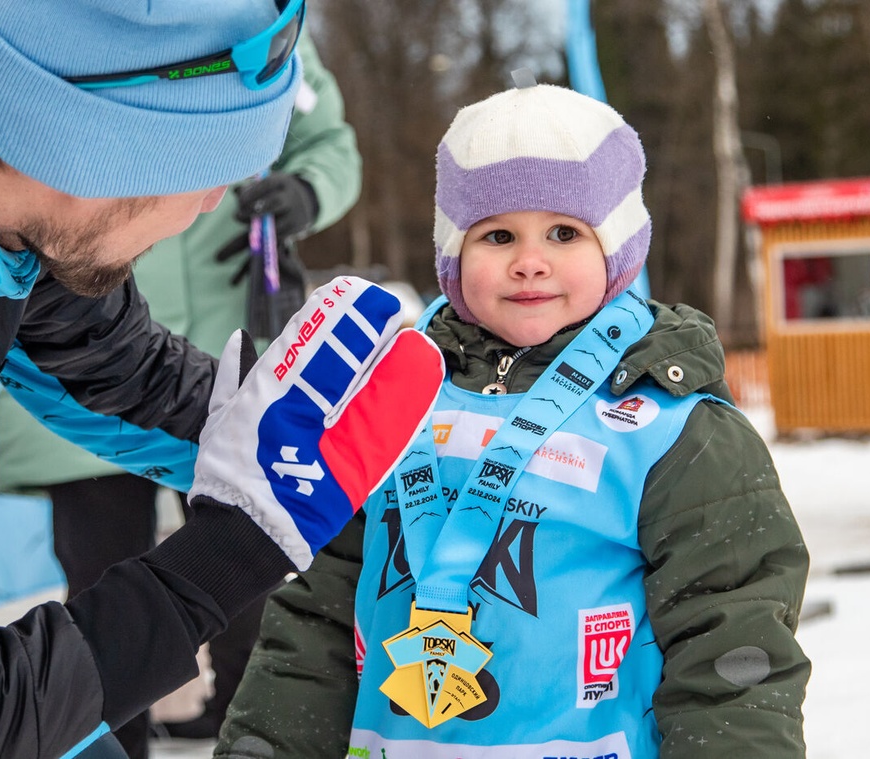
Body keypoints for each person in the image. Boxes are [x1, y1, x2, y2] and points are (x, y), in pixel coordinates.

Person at [0, 1, 443, 757]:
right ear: (98, 144)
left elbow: (119, 367)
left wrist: (280, 439)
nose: (209, 208)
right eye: (204, 176)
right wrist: (215, 567)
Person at [214, 81, 811, 758]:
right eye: (498, 234)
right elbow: (314, 616)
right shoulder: (382, 403)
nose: (530, 261)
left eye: (564, 232)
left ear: (616, 248)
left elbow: (731, 641)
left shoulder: (674, 430)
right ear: (454, 254)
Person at [0, 30, 361, 757]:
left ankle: (241, 715)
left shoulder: (261, 26)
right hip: (80, 325)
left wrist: (304, 190)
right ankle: (113, 739)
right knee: (100, 564)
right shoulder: (93, 19)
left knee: (247, 550)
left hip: (226, 327)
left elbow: (329, 140)